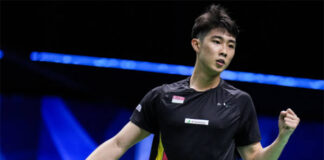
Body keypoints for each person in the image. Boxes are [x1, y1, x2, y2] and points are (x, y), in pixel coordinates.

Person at [87, 4, 300, 160]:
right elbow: (118, 143)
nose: (224, 51)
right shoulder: (162, 97)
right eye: (217, 42)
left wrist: (283, 137)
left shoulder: (239, 102)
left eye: (231, 45)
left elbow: (255, 158)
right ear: (196, 44)